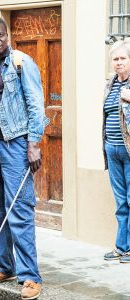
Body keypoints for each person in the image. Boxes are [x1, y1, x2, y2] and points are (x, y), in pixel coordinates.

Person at [0, 16, 49, 300]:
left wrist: (33, 144)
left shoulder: (21, 63)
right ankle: (5, 266)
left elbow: (35, 103)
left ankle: (30, 276)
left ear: (7, 35)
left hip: (15, 145)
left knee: (18, 210)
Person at [103, 39, 130, 263]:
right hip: (111, 150)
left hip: (129, 151)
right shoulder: (110, 84)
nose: (118, 63)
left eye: (122, 58)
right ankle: (122, 247)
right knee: (121, 201)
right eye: (115, 59)